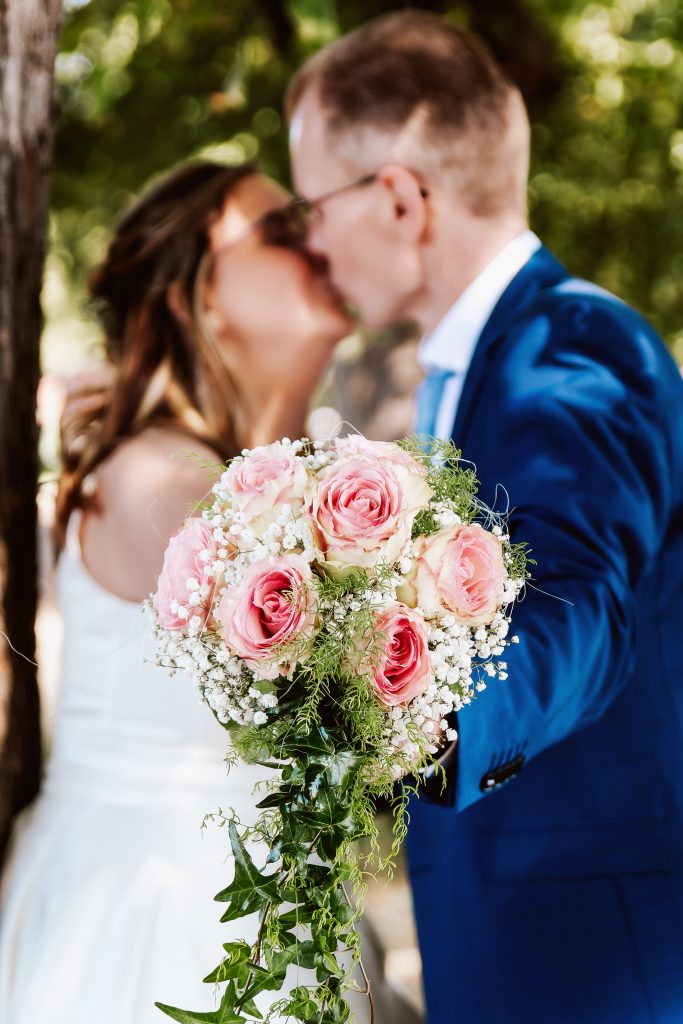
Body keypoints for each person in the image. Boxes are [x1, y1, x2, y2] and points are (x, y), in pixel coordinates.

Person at [286, 12, 683, 1023]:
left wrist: (431, 722)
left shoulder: (573, 349)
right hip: (501, 933)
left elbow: (578, 604)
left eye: (311, 206)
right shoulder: (465, 369)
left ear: (399, 198)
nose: (310, 238)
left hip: (591, 959)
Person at [0, 160, 371, 1023]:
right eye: (282, 233)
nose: (319, 242)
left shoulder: (252, 479)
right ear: (198, 300)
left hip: (261, 907)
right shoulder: (154, 477)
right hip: (158, 922)